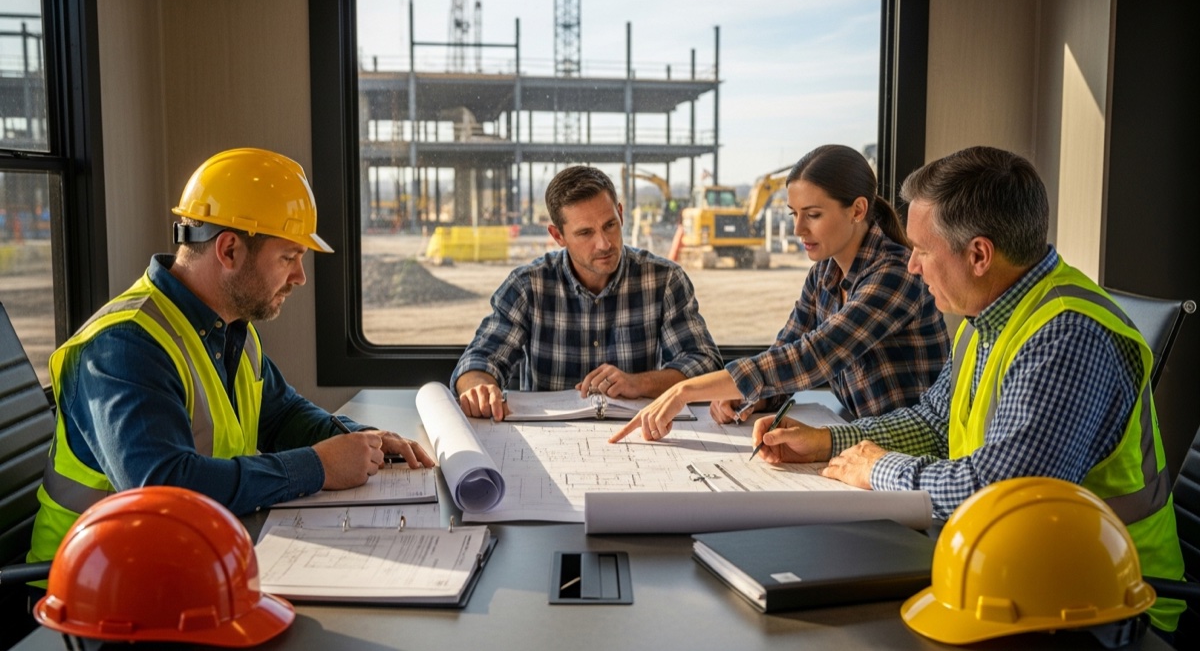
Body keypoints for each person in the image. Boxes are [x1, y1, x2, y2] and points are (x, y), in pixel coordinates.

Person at [752, 145, 1184, 632]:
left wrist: (879, 468)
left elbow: (1002, 497)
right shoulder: (989, 318)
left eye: (921, 250)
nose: (911, 265)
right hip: (1023, 580)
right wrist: (829, 441)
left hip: (1107, 606)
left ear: (979, 254)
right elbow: (935, 423)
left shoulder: (1068, 338)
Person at [28, 148, 436, 565]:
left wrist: (357, 439)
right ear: (229, 251)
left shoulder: (232, 328)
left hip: (186, 565)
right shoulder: (123, 346)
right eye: (289, 257)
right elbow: (164, 490)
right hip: (94, 592)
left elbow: (281, 416)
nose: (300, 277)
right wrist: (317, 467)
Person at [611, 144, 949, 443]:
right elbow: (785, 352)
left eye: (813, 215)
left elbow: (814, 356)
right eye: (794, 214)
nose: (798, 229)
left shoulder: (895, 274)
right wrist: (755, 398)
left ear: (858, 210)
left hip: (909, 447)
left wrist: (686, 389)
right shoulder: (823, 275)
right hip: (863, 439)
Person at [453, 165, 722, 420]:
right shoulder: (529, 286)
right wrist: (479, 387)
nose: (604, 243)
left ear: (621, 213)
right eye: (585, 233)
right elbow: (478, 361)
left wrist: (637, 383)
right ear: (558, 236)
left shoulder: (664, 280)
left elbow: (706, 365)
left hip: (639, 437)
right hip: (548, 440)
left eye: (610, 225)